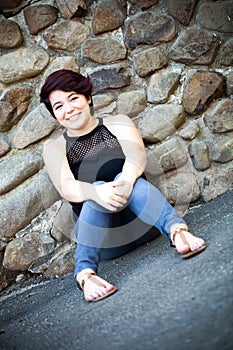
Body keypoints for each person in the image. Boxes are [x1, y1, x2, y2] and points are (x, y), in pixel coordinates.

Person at [40, 69, 206, 302]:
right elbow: (66, 187)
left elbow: (136, 155)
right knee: (94, 188)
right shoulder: (55, 147)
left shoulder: (117, 123)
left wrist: (125, 182)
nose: (68, 109)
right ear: (55, 115)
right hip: (108, 241)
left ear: (87, 98)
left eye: (73, 98)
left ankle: (178, 232)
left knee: (131, 181)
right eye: (58, 106)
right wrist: (97, 192)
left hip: (146, 224)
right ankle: (86, 276)